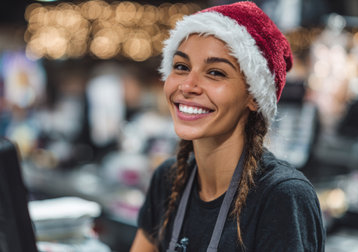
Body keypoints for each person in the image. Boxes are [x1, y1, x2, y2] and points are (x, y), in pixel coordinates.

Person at [131, 2, 325, 251]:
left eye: (215, 73)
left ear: (254, 96)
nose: (188, 85)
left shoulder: (282, 196)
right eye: (181, 67)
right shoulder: (168, 181)